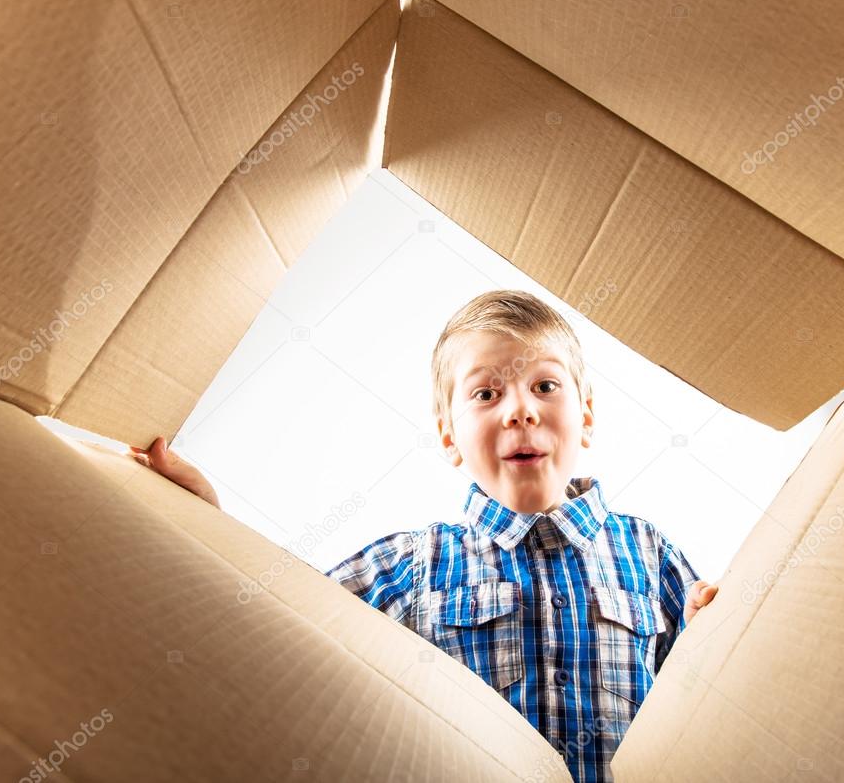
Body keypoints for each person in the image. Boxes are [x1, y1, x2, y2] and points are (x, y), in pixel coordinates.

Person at [131, 289, 718, 783]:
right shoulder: (413, 563)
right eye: (487, 393)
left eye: (545, 386)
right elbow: (281, 630)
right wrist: (205, 519)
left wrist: (716, 627)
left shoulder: (650, 553)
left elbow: (707, 696)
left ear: (586, 415)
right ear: (448, 437)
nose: (521, 410)